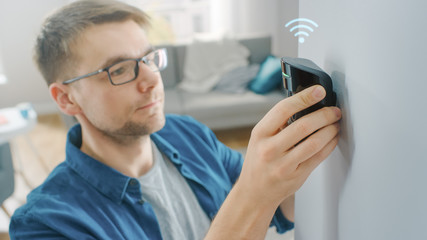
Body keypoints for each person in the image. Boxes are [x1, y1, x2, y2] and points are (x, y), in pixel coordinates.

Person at [9, 0, 341, 239]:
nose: (152, 79)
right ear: (66, 98)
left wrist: (295, 164)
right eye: (120, 69)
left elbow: (280, 208)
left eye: (149, 58)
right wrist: (254, 194)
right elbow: (255, 198)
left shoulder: (187, 133)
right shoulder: (46, 225)